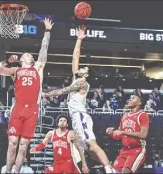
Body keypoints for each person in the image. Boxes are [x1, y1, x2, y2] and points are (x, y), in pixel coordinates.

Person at [43, 26, 113, 173]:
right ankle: (108, 165)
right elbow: (75, 57)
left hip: (81, 116)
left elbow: (62, 91)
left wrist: (45, 94)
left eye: (84, 69)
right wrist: (79, 39)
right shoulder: (77, 79)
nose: (81, 68)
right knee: (88, 149)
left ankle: (109, 170)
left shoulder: (81, 83)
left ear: (85, 75)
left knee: (91, 144)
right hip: (76, 118)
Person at [0, 18, 54, 173]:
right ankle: (7, 171)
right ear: (21, 60)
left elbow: (43, 50)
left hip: (32, 109)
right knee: (13, 143)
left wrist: (47, 31)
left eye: (28, 54)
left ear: (31, 59)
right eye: (24, 54)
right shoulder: (16, 71)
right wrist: (7, 61)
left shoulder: (38, 68)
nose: (26, 54)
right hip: (18, 108)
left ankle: (17, 171)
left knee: (23, 146)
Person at [106, 94, 150, 174]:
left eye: (133, 98)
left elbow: (143, 135)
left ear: (139, 103)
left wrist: (123, 132)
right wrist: (111, 133)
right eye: (129, 98)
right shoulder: (125, 116)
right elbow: (119, 136)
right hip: (124, 150)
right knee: (114, 171)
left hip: (137, 149)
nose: (129, 100)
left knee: (125, 172)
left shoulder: (143, 115)